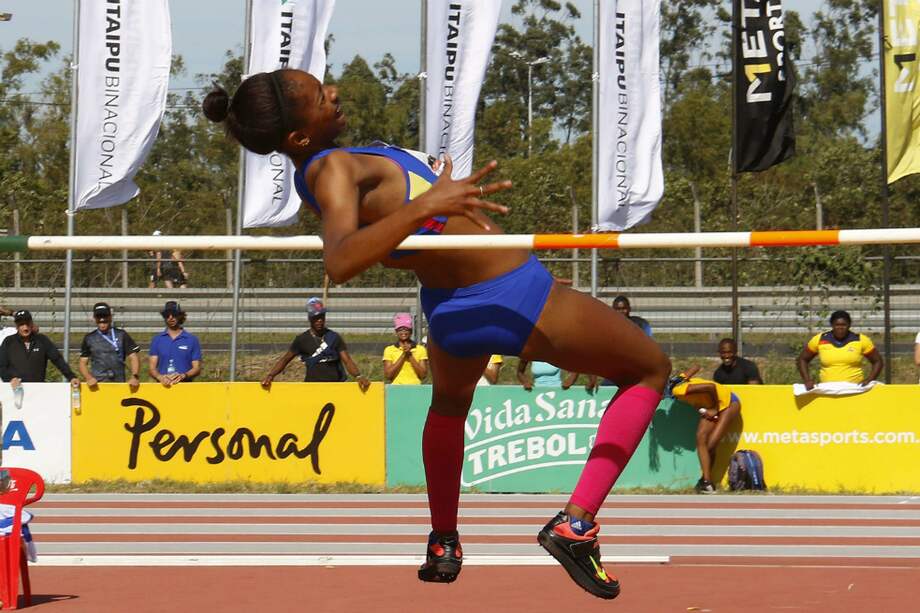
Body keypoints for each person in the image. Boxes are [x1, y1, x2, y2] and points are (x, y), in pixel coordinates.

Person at [203, 69, 670, 600]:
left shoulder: (334, 164)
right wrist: (427, 206)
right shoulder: (330, 168)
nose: (333, 93)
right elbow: (341, 259)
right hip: (507, 293)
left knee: (449, 407)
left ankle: (444, 540)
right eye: (318, 96)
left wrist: (435, 208)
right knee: (649, 369)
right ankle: (576, 524)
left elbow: (403, 239)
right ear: (299, 136)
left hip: (455, 306)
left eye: (324, 84)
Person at [261, 297, 370, 390]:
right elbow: (285, 359)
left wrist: (358, 376)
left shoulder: (334, 337)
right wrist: (270, 376)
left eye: (322, 317)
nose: (319, 320)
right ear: (309, 318)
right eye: (316, 318)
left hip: (335, 387)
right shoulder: (302, 339)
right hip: (312, 388)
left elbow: (347, 361)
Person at [667, 365, 742, 494]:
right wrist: (685, 375)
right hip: (711, 405)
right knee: (701, 439)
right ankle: (706, 481)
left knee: (710, 446)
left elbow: (710, 387)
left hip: (728, 403)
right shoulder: (678, 380)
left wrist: (714, 409)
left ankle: (706, 481)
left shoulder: (677, 391)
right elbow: (696, 366)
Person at [796, 310, 882, 390]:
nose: (840, 328)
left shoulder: (860, 340)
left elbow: (878, 361)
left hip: (854, 389)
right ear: (832, 325)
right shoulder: (820, 339)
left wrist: (869, 380)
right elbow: (802, 359)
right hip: (827, 390)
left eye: (844, 325)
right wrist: (807, 380)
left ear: (849, 325)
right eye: (837, 325)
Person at [0, 310, 79, 387]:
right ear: (17, 326)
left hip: (38, 389)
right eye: (21, 324)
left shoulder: (42, 340)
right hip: (14, 389)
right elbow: (1, 365)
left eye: (27, 324)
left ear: (32, 324)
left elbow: (57, 359)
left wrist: (71, 377)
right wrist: (10, 379)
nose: (25, 327)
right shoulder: (8, 342)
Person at [78, 303, 141, 391]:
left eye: (105, 316)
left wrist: (135, 376)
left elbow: (133, 357)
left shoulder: (121, 335)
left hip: (119, 382)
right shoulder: (89, 338)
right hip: (97, 384)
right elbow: (82, 362)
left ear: (110, 317)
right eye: (99, 317)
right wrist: (88, 377)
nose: (102, 319)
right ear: (94, 318)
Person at [148, 301, 202, 387]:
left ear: (180, 316)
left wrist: (183, 376)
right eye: (167, 315)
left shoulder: (192, 340)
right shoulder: (157, 340)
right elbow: (152, 368)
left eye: (174, 314)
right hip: (163, 387)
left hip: (185, 386)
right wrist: (160, 377)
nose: (170, 318)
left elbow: (197, 368)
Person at [383, 313, 429, 384]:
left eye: (406, 329)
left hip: (415, 388)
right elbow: (388, 375)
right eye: (400, 330)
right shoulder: (389, 350)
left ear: (411, 331)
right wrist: (403, 355)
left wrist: (410, 356)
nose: (403, 332)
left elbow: (423, 375)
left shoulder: (420, 349)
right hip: (396, 388)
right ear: (396, 332)